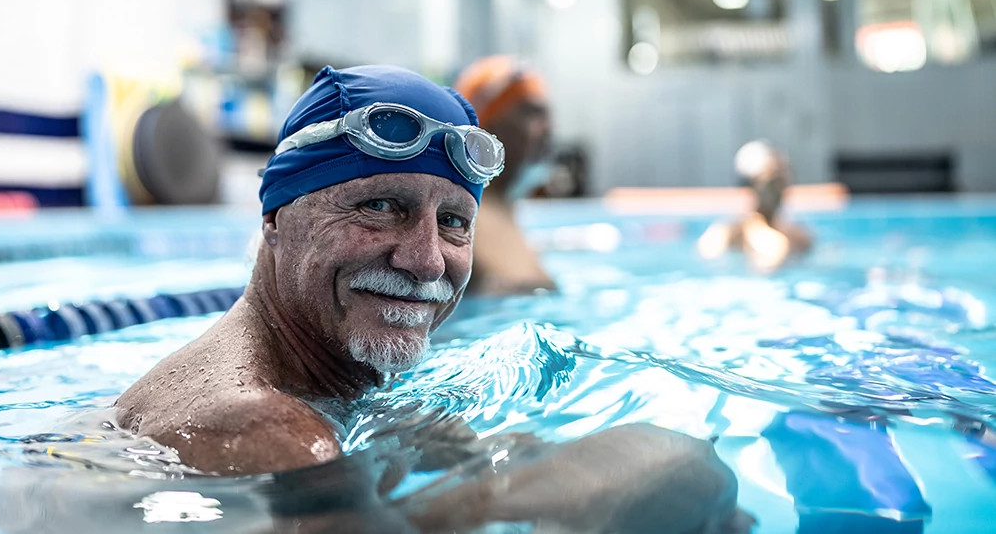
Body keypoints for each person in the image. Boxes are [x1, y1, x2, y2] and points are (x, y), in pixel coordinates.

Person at [115, 65, 751, 532]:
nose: (424, 261)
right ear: (276, 217)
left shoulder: (342, 386)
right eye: (380, 205)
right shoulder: (267, 432)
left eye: (453, 223)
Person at [453, 56, 557, 295]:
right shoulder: (467, 217)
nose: (547, 129)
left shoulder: (504, 210)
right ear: (486, 126)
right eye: (530, 113)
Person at [698, 140, 813, 271]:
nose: (778, 190)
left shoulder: (798, 235)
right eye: (771, 182)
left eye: (781, 182)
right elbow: (708, 253)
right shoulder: (730, 231)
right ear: (752, 185)